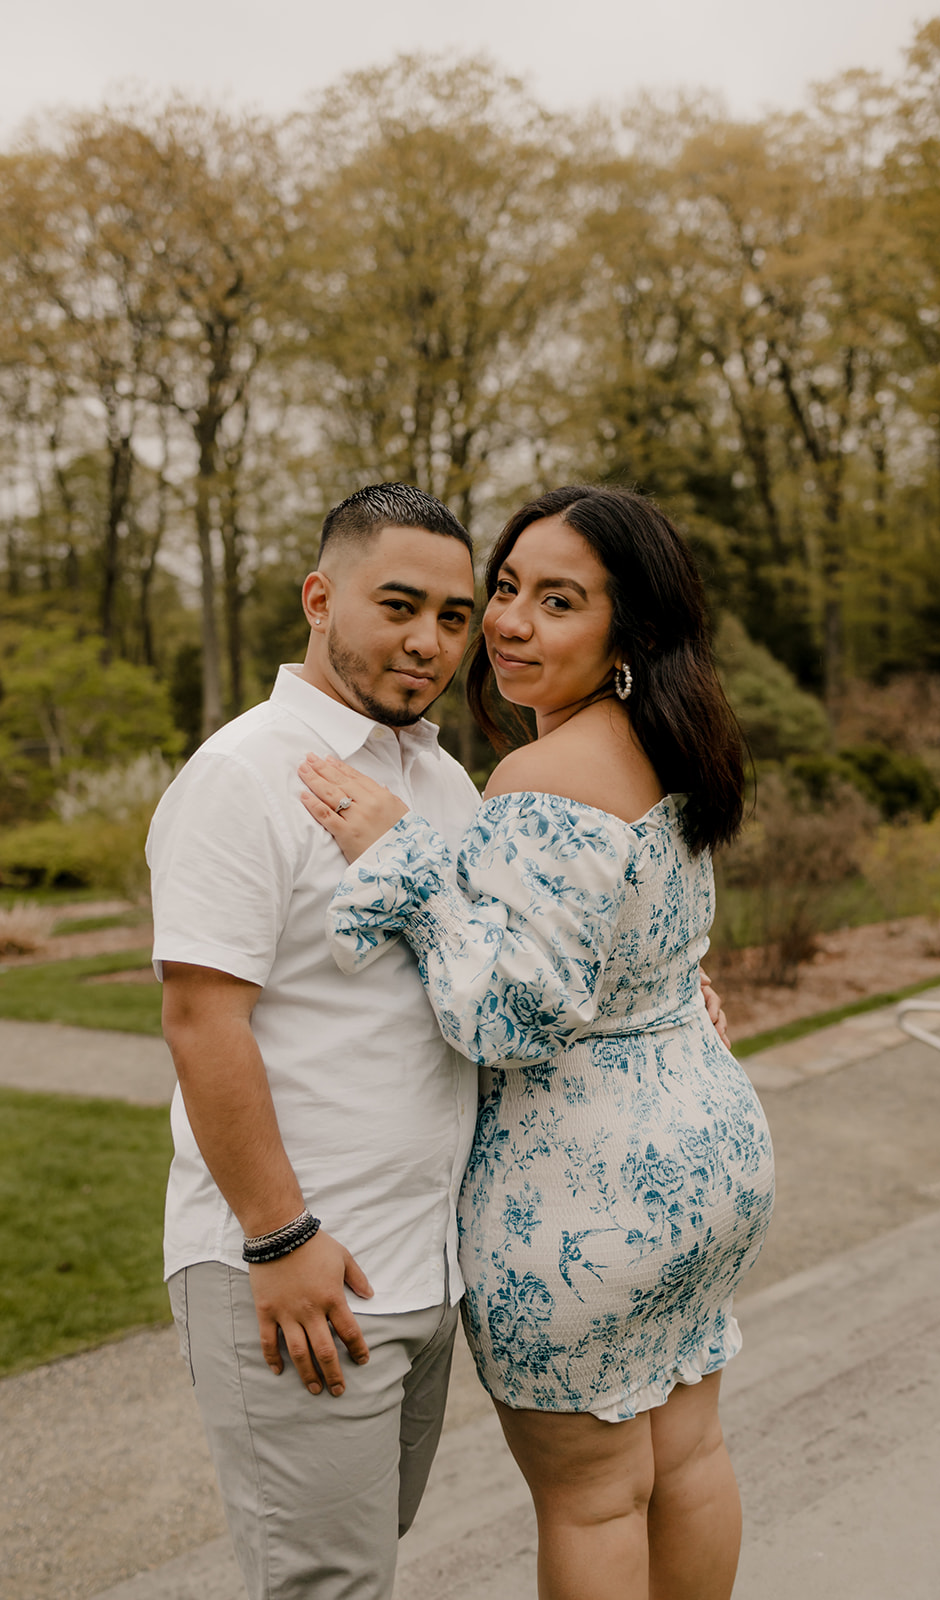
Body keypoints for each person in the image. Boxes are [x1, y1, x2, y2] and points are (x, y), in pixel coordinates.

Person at [298, 484, 775, 1600]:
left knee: (594, 1496)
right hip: (708, 1159)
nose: (509, 623)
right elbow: (644, 943)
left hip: (582, 1197)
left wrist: (400, 853)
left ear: (630, 631)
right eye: (504, 589)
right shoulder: (668, 746)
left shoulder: (537, 778)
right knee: (691, 1452)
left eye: (556, 600)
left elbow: (503, 1017)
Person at [147, 483, 484, 1600]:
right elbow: (203, 1020)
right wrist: (278, 1236)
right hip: (295, 1266)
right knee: (325, 1587)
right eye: (399, 605)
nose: (428, 641)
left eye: (453, 616)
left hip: (419, 1270)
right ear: (318, 596)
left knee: (350, 1574)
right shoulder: (240, 775)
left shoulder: (443, 781)